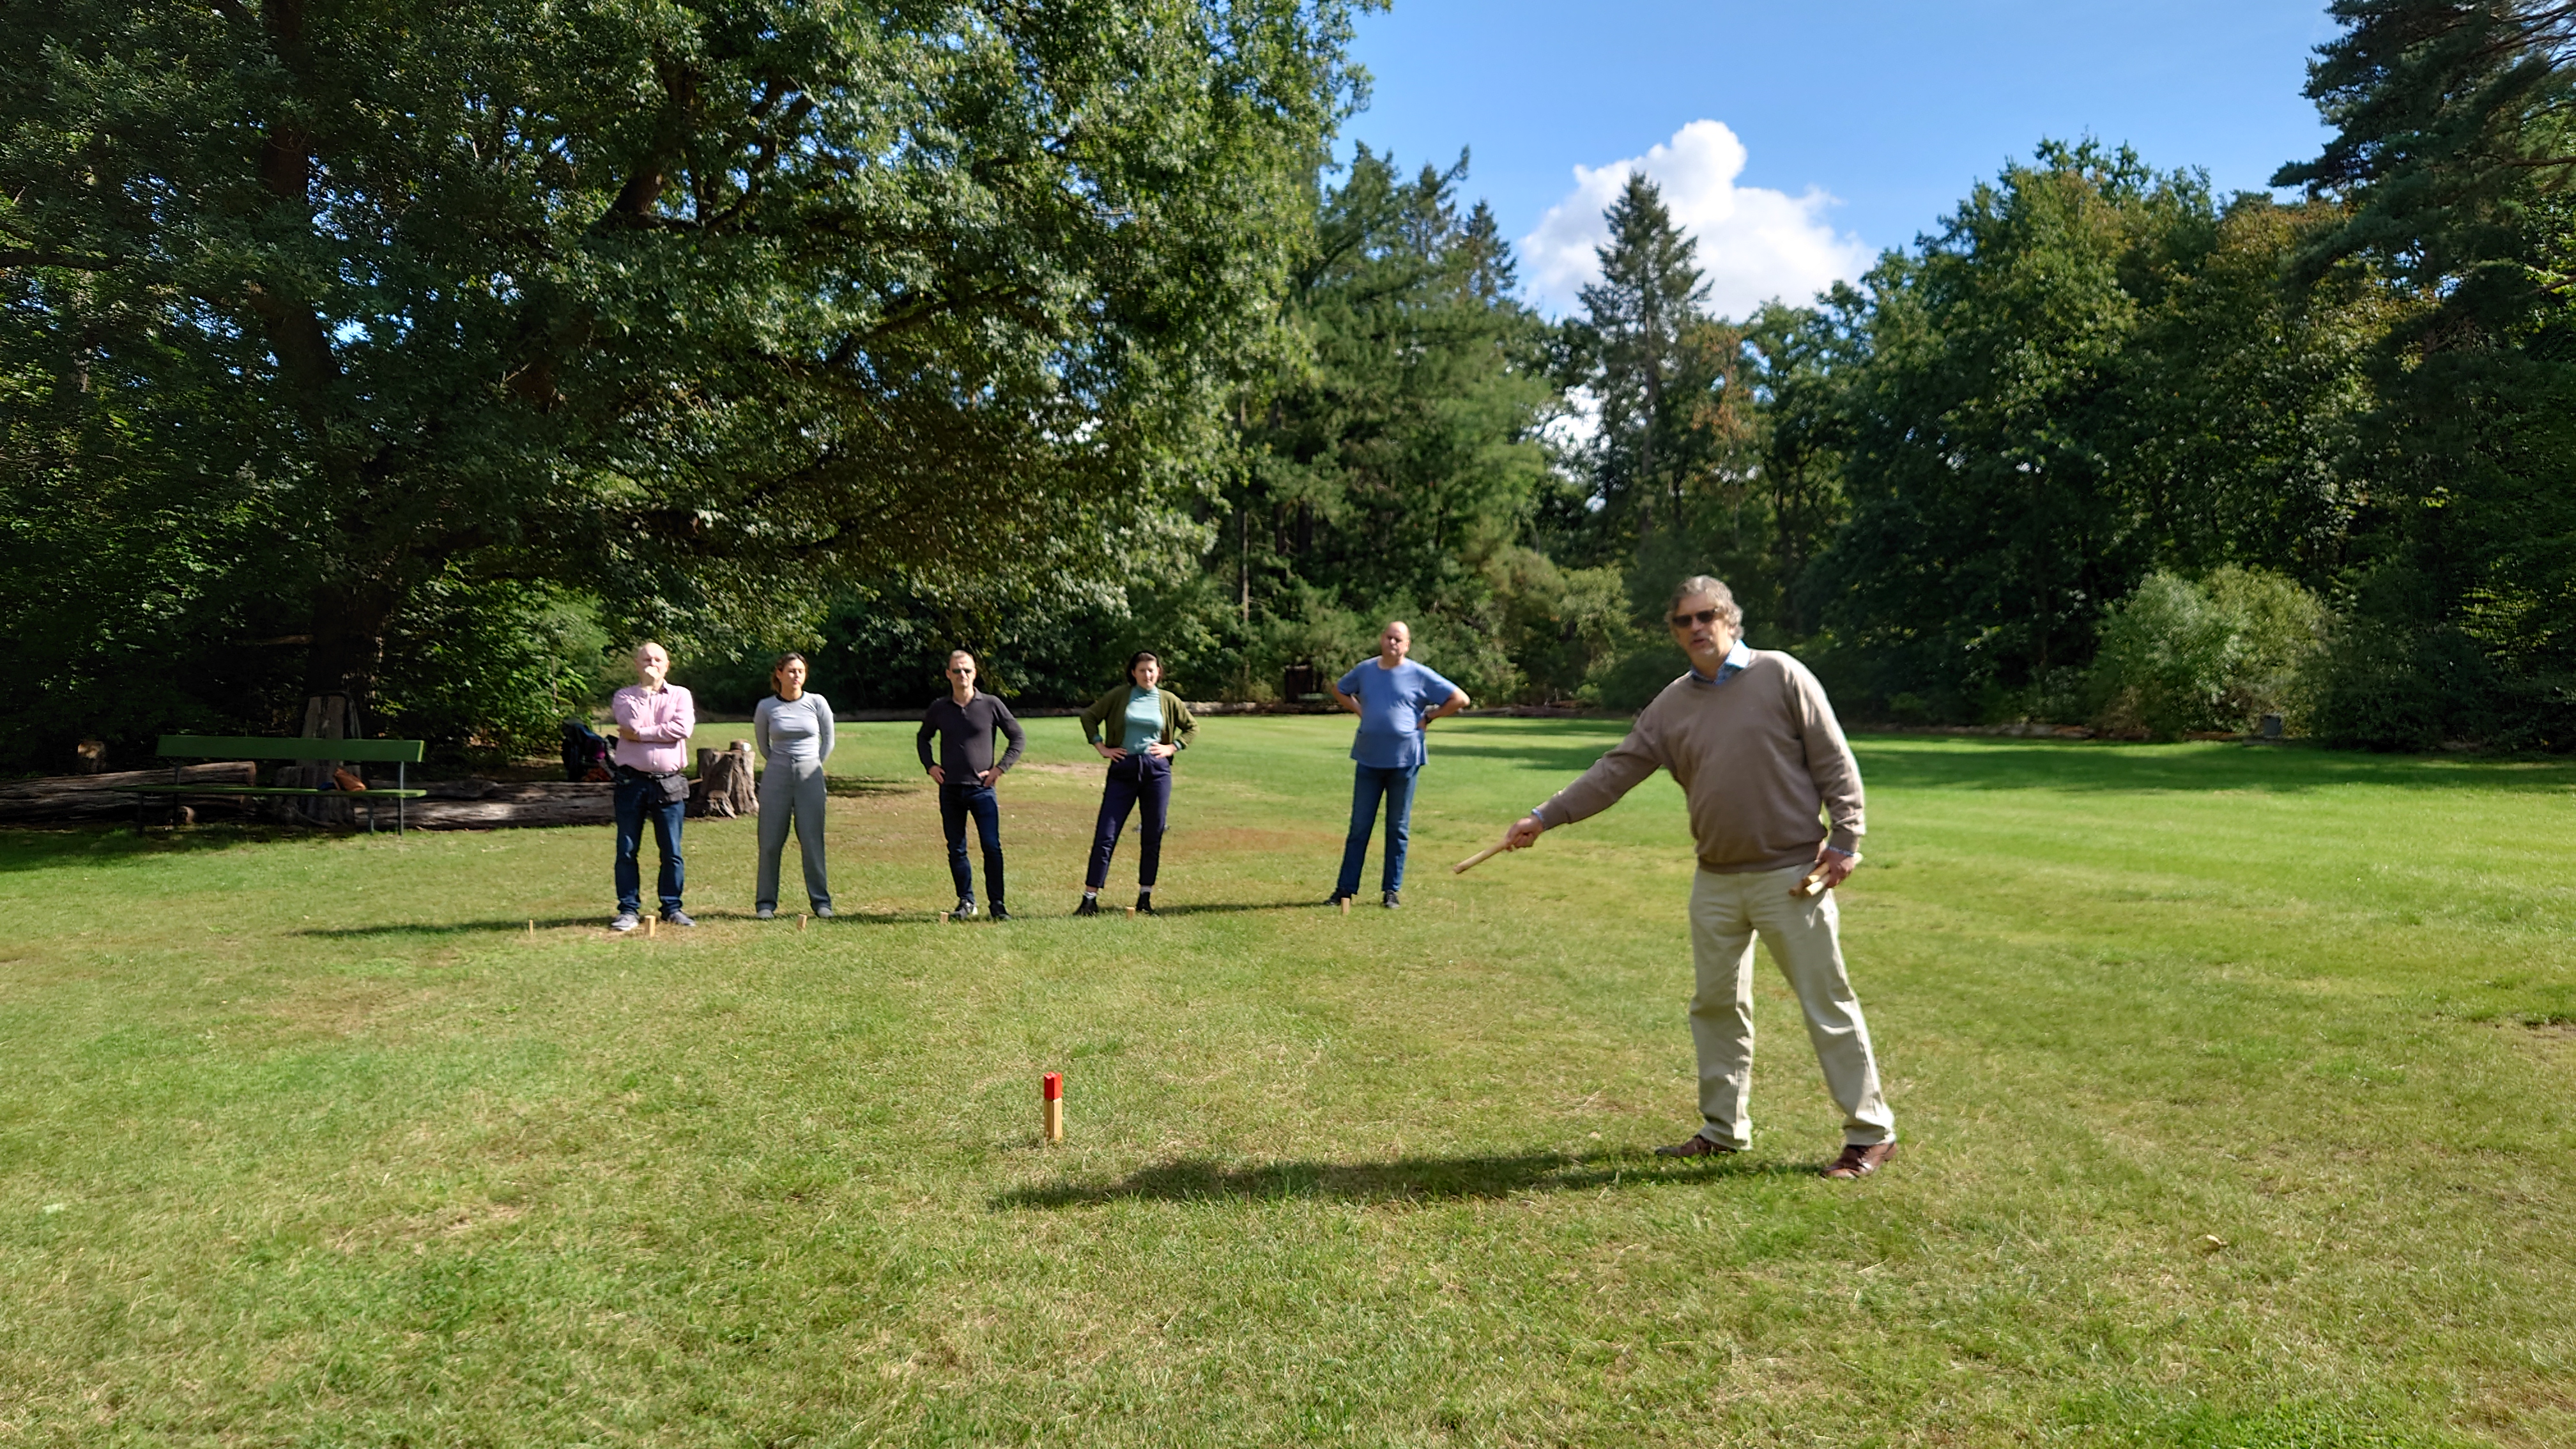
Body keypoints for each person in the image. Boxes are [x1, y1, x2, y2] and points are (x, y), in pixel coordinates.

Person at [1488, 577, 1897, 1179]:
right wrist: (1546, 816)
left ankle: (1871, 1133)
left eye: (1707, 615)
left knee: (1826, 1002)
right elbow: (1618, 768)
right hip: (1716, 878)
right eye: (1684, 620)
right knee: (1715, 1004)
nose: (1697, 627)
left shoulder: (1781, 674)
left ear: (1730, 618)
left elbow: (1833, 758)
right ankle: (1723, 1129)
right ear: (1675, 632)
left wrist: (1846, 839)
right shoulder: (1673, 703)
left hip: (1790, 872)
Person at [1330, 620, 1468, 909]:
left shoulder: (1419, 674)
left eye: (1399, 640)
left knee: (1398, 827)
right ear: (1382, 640)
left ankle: (1391, 891)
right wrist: (1361, 710)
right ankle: (1344, 890)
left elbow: (1460, 699)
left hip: (1405, 761)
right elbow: (1340, 689)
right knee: (1359, 827)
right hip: (1368, 758)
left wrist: (1429, 717)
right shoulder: (1365, 670)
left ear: (1407, 645)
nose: (1393, 643)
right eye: (1389, 637)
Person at [1075, 651, 1199, 916]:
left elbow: (1191, 727)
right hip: (1124, 768)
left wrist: (1173, 747)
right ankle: (1089, 899)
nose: (1148, 675)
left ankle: (1145, 897)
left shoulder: (1168, 700)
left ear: (1159, 672)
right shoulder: (1120, 695)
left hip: (1156, 771)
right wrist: (1101, 746)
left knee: (1152, 834)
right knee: (1106, 834)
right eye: (1142, 670)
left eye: (1152, 670)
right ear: (1133, 672)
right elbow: (1089, 716)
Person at [916, 651, 1025, 921]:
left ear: (975, 673)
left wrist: (1000, 768)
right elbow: (923, 738)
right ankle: (966, 901)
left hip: (982, 790)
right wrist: (930, 765)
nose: (962, 675)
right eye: (956, 671)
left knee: (992, 847)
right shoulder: (939, 708)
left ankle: (997, 905)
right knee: (956, 848)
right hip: (951, 789)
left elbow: (1017, 737)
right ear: (948, 674)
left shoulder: (990, 704)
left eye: (966, 670)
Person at [609, 641, 696, 932]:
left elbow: (682, 729)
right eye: (646, 659)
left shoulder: (681, 695)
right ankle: (628, 910)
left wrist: (642, 735)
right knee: (627, 849)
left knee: (671, 850)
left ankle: (672, 908)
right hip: (631, 782)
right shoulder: (624, 696)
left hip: (669, 783)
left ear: (667, 665)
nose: (652, 663)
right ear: (636, 664)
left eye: (658, 659)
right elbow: (629, 723)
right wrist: (647, 693)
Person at [752, 652, 835, 921]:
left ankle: (821, 902)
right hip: (777, 775)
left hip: (810, 775)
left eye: (800, 671)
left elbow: (828, 740)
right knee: (770, 841)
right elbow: (764, 745)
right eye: (790, 671)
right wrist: (782, 763)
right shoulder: (766, 707)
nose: (796, 675)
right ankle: (765, 903)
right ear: (779, 674)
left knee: (812, 840)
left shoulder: (817, 702)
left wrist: (812, 764)